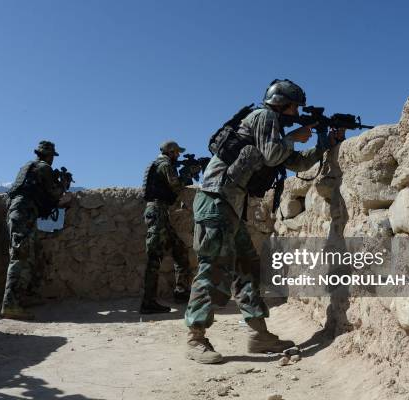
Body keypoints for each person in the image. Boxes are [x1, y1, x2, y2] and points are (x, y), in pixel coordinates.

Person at [184, 79, 346, 363]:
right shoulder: (264, 117)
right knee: (212, 269)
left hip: (230, 206)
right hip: (215, 202)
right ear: (283, 104)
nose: (297, 114)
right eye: (295, 108)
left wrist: (325, 142)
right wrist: (295, 136)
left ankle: (259, 335)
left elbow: (295, 163)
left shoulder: (272, 129)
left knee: (247, 267)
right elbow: (274, 154)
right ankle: (195, 339)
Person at [0, 141, 72, 320]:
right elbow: (54, 193)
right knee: (20, 254)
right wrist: (63, 184)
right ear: (49, 156)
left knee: (30, 254)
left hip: (20, 211)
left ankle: (23, 297)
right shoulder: (44, 168)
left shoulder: (27, 167)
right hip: (23, 211)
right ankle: (10, 305)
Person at [140, 140, 195, 314]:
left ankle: (181, 292)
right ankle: (148, 303)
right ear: (170, 152)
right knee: (154, 258)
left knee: (180, 251)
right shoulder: (164, 165)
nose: (178, 156)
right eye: (176, 152)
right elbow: (176, 187)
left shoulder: (159, 164)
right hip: (157, 212)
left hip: (161, 213)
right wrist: (187, 174)